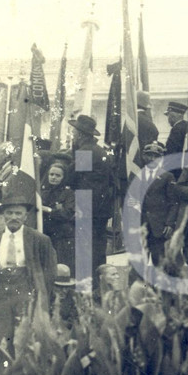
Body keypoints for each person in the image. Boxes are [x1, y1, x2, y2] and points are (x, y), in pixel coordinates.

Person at [0, 191, 57, 357]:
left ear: (25, 216)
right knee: (2, 337)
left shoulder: (39, 239)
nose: (14, 217)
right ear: (3, 215)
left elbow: (50, 271)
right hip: (0, 294)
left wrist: (40, 294)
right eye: (9, 213)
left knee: (25, 337)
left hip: (26, 292)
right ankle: (4, 374)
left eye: (18, 213)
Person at [66, 114, 115, 292]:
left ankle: (87, 289)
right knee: (98, 250)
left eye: (74, 132)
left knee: (86, 252)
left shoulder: (86, 152)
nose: (73, 135)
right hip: (101, 208)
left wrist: (73, 153)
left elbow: (71, 178)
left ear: (80, 134)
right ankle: (100, 288)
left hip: (87, 206)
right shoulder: (99, 151)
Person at [136, 141, 187, 266]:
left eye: (156, 156)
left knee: (159, 262)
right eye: (149, 155)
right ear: (144, 156)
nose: (152, 159)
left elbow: (174, 203)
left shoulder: (167, 176)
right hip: (140, 225)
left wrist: (170, 223)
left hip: (159, 226)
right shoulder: (137, 175)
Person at [40, 161, 76, 269]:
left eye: (58, 175)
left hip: (61, 236)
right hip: (45, 233)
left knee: (60, 266)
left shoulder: (69, 194)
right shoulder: (43, 193)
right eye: (51, 174)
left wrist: (48, 210)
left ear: (63, 177)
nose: (54, 178)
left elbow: (67, 214)